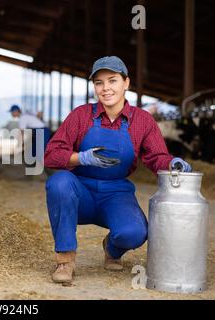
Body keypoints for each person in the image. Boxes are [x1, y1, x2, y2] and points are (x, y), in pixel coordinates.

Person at [44, 56, 192, 285]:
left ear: (126, 83)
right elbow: (50, 155)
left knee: (134, 233)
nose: (106, 88)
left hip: (116, 193)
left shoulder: (142, 121)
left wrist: (172, 164)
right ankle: (65, 260)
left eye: (112, 81)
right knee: (59, 182)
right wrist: (81, 158)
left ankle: (112, 248)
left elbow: (156, 157)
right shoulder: (81, 115)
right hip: (79, 190)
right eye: (99, 83)